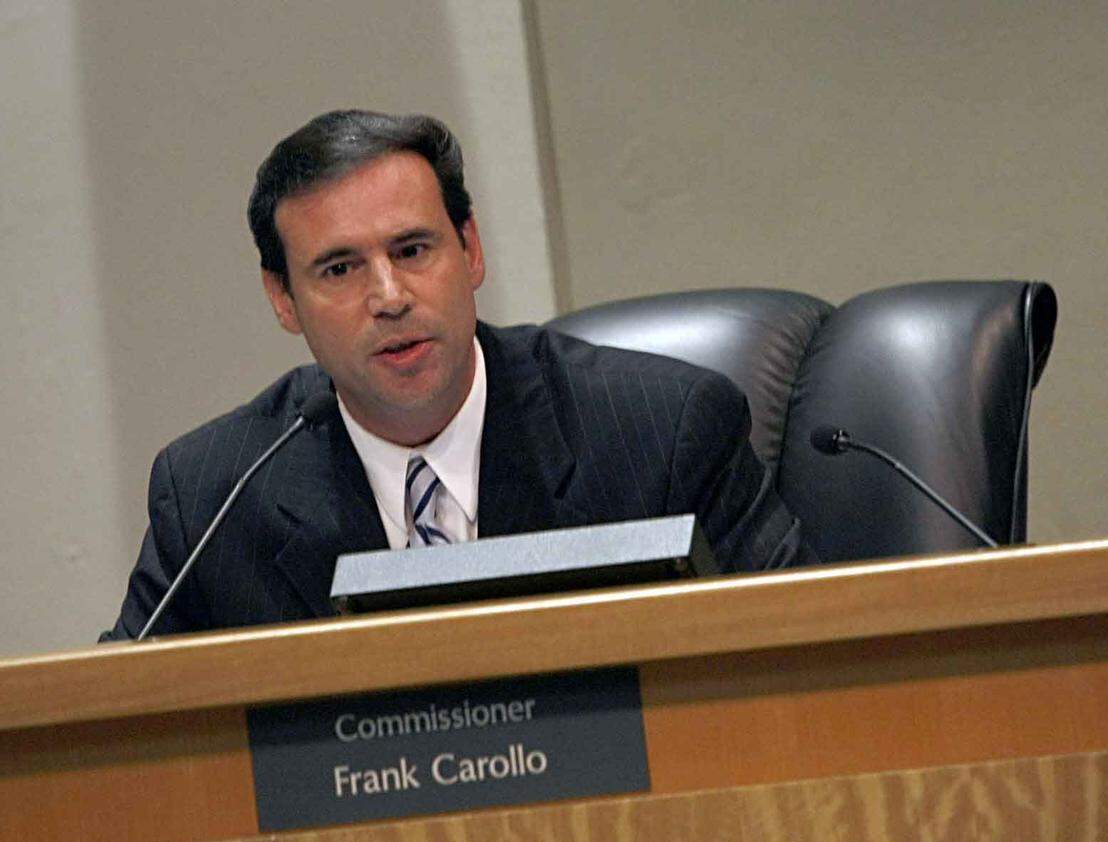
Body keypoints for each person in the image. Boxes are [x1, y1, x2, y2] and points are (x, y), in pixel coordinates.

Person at [101, 110, 810, 640]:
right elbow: (116, 732)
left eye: (412, 249)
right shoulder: (215, 495)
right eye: (340, 268)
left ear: (469, 251)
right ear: (283, 297)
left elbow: (810, 654)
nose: (389, 297)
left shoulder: (662, 429)